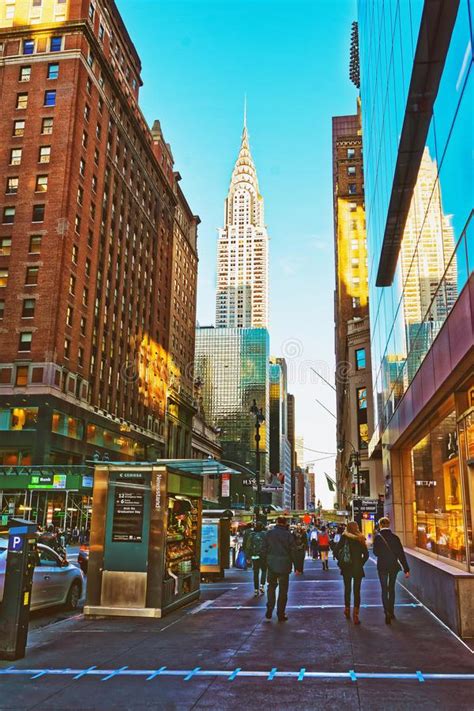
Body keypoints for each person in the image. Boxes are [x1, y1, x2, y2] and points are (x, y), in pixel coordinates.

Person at [373, 516, 410, 624]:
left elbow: (375, 553)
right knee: (391, 588)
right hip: (393, 566)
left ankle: (386, 613)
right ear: (389, 525)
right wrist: (406, 569)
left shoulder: (378, 538)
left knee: (384, 589)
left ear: (380, 525)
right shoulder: (395, 538)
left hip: (382, 566)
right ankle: (392, 611)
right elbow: (401, 554)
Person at [335, 521, 369, 625]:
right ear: (356, 528)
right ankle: (356, 615)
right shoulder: (360, 539)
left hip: (346, 567)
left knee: (347, 589)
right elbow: (366, 555)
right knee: (357, 591)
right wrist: (360, 563)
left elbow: (335, 550)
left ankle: (347, 610)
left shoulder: (344, 537)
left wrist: (341, 562)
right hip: (357, 568)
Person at [263, 516, 296, 622]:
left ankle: (269, 608)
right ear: (285, 523)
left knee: (271, 587)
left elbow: (263, 549)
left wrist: (266, 562)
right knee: (283, 590)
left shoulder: (269, 534)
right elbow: (293, 550)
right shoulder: (288, 535)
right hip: (284, 565)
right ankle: (280, 613)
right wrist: (295, 564)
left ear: (277, 522)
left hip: (271, 564)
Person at [248, 521, 267, 595]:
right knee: (264, 570)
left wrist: (248, 556)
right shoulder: (265, 534)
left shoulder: (252, 535)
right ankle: (262, 585)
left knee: (255, 572)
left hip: (254, 555)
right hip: (263, 555)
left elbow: (248, 546)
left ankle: (256, 589)